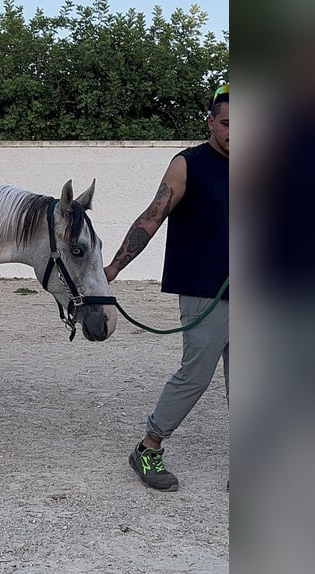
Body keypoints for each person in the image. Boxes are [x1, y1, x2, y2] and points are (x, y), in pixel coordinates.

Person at [104, 84, 229, 491]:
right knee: (195, 374)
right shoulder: (188, 164)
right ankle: (148, 446)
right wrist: (113, 268)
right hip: (204, 291)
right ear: (210, 122)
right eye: (227, 124)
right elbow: (152, 218)